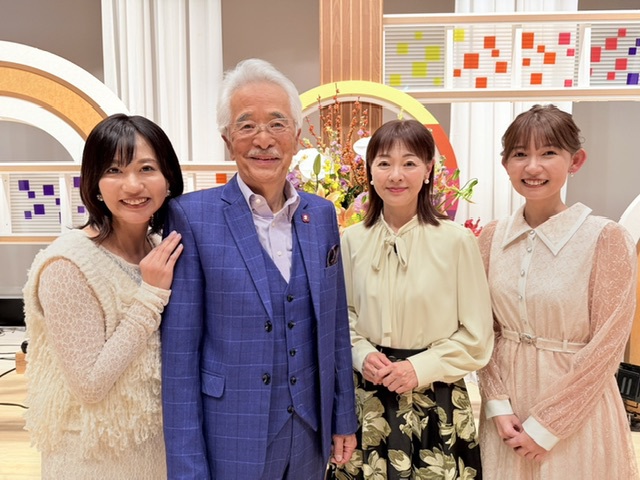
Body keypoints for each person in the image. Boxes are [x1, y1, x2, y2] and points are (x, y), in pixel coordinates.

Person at [160, 58, 358, 479]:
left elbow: (335, 326)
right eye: (247, 125)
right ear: (227, 139)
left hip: (309, 433)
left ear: (297, 136)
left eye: (277, 124)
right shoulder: (192, 217)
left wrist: (343, 416)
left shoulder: (322, 215)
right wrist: (188, 470)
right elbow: (179, 358)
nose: (263, 139)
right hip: (231, 434)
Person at [477, 104, 639, 479]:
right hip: (506, 416)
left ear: (575, 161)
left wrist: (548, 425)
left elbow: (608, 346)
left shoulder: (605, 238)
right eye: (520, 154)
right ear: (505, 164)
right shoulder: (490, 237)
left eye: (548, 153)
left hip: (578, 414)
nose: (533, 167)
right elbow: (482, 329)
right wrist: (497, 404)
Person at [329, 119, 494, 480]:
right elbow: (341, 318)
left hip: (437, 400)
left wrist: (420, 367)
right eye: (384, 163)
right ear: (369, 171)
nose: (396, 175)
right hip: (368, 398)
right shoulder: (351, 240)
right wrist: (361, 354)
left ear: (428, 169)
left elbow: (477, 336)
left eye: (409, 163)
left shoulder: (457, 241)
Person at [22, 113, 184, 479]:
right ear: (94, 182)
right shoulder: (67, 264)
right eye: (114, 170)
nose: (132, 185)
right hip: (94, 461)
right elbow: (90, 384)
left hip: (157, 452)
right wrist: (151, 295)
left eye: (146, 168)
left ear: (168, 179)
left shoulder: (160, 250)